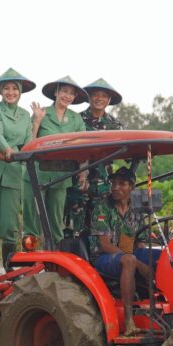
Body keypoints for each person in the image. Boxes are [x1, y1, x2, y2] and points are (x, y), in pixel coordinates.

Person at [88, 167, 158, 335]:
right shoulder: (102, 208)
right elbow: (104, 245)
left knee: (162, 256)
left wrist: (148, 253)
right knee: (130, 261)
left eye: (122, 184)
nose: (115, 188)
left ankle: (161, 307)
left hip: (128, 251)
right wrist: (140, 264)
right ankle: (129, 321)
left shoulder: (136, 208)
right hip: (103, 257)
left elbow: (139, 240)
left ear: (132, 187)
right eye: (113, 183)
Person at [0, 68, 35, 272]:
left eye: (15, 89)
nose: (11, 92)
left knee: (10, 225)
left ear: (20, 92)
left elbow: (28, 139)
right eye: (6, 88)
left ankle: (10, 273)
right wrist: (9, 151)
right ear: (1, 91)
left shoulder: (25, 115)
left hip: (14, 173)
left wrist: (25, 153)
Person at [25, 76, 87, 242]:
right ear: (56, 92)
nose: (67, 96)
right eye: (64, 91)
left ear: (74, 98)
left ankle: (55, 260)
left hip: (62, 175)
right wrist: (37, 121)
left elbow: (83, 148)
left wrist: (83, 173)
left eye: (71, 93)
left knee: (56, 221)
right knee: (32, 220)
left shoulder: (76, 119)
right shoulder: (42, 113)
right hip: (37, 174)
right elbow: (28, 144)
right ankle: (30, 258)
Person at [70, 78, 123, 241]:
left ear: (108, 100)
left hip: (104, 184)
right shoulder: (76, 120)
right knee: (76, 226)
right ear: (89, 97)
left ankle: (99, 262)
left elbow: (124, 150)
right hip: (78, 181)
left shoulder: (115, 125)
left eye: (104, 96)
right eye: (95, 95)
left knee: (101, 227)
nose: (99, 99)